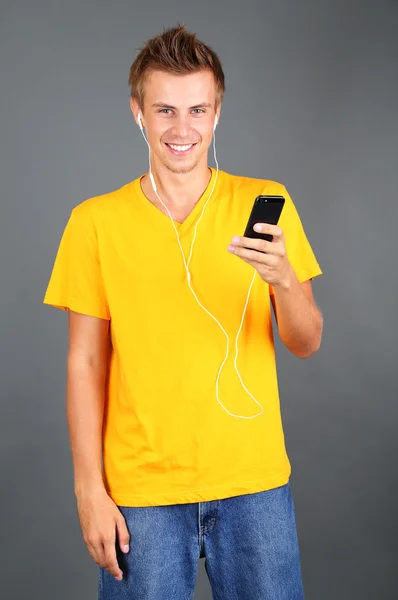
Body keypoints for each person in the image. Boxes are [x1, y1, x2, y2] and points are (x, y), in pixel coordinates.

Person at [43, 23, 323, 600]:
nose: (182, 128)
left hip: (254, 486)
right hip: (141, 493)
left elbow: (306, 340)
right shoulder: (94, 222)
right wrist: (88, 491)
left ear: (217, 114)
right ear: (138, 113)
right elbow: (85, 364)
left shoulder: (263, 203)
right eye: (165, 110)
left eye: (198, 110)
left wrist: (286, 281)